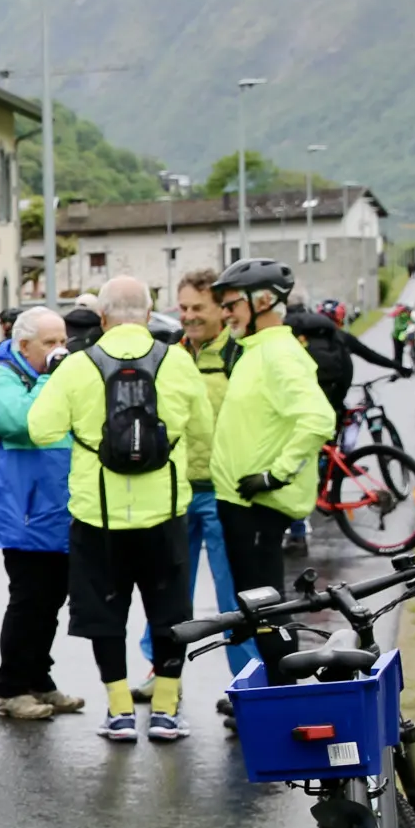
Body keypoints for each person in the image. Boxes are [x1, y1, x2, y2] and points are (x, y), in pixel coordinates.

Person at [23, 275, 214, 743]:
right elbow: (204, 432)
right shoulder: (177, 361)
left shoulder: (78, 365)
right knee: (171, 613)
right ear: (148, 315)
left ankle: (120, 711)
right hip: (164, 512)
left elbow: (40, 430)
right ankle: (165, 710)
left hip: (97, 516)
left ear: (102, 317)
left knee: (104, 616)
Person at [206, 257, 333, 689]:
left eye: (231, 304)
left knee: (266, 611)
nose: (226, 313)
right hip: (240, 502)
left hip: (259, 504)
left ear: (262, 301)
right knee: (258, 609)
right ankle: (278, 698)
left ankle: (285, 699)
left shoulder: (279, 354)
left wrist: (275, 475)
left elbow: (317, 419)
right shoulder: (255, 350)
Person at [0, 307, 83, 721]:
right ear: (23, 345)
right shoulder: (0, 377)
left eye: (63, 341)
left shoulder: (55, 376)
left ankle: (39, 678)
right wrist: (51, 379)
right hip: (22, 509)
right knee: (29, 599)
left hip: (59, 508)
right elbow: (22, 422)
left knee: (52, 599)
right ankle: (9, 689)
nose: (60, 350)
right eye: (49, 343)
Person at [166, 267, 253, 691]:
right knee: (169, 591)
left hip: (224, 492)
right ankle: (163, 674)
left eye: (198, 307)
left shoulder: (240, 356)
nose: (188, 316)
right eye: (183, 307)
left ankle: (248, 679)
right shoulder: (170, 355)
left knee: (233, 595)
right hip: (176, 492)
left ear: (221, 309)